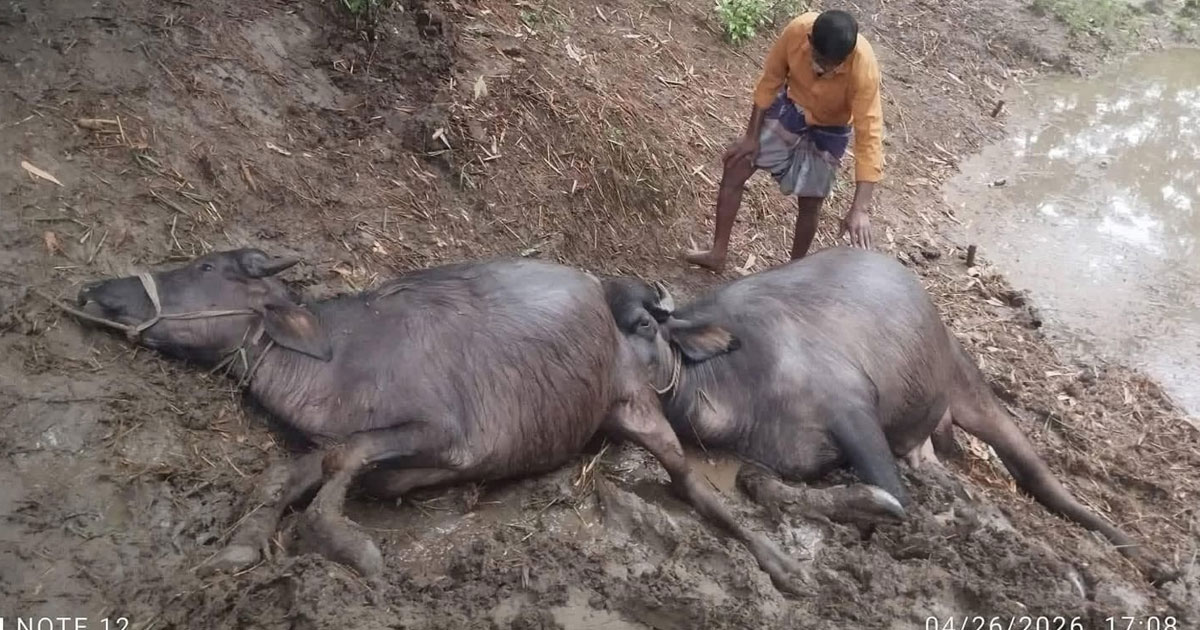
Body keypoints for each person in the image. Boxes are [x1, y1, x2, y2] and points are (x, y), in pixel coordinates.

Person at [685, 9, 884, 272]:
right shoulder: (796, 31)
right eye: (819, 59)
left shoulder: (864, 67)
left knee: (811, 202)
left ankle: (792, 274)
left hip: (831, 128)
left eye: (832, 65)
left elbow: (869, 135)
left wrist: (860, 208)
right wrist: (751, 137)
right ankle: (717, 254)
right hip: (791, 109)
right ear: (810, 40)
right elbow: (770, 82)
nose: (823, 69)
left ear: (845, 58)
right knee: (736, 166)